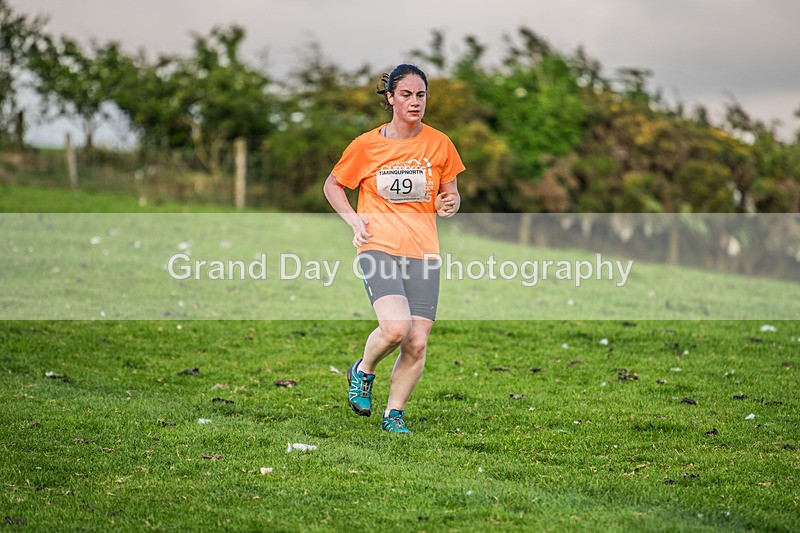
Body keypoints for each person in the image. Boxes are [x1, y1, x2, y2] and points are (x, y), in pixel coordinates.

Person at [323, 64, 465, 434]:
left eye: (421, 95)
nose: (415, 102)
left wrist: (451, 203)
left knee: (417, 341)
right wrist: (354, 220)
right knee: (396, 327)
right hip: (378, 246)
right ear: (390, 98)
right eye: (406, 94)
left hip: (423, 251)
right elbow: (333, 186)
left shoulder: (440, 143)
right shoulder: (366, 145)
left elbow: (449, 194)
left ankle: (394, 415)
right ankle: (363, 370)